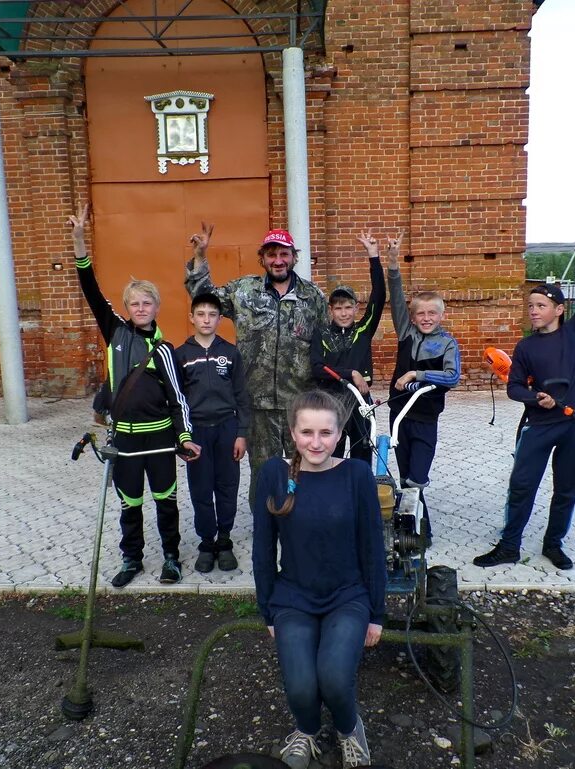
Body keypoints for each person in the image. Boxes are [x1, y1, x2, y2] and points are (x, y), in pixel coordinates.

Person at [472, 212, 575, 571]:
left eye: (540, 306)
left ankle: (553, 545)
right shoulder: (525, 348)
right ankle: (509, 545)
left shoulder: (574, 332)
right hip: (539, 424)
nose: (534, 311)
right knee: (522, 485)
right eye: (530, 306)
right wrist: (535, 397)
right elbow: (513, 389)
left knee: (566, 488)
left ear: (559, 308)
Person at [69, 204, 201, 587]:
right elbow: (90, 289)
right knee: (130, 505)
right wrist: (79, 240)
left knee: (166, 503)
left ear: (157, 308)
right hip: (123, 439)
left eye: (147, 303)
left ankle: (172, 558)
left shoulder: (165, 349)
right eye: (135, 303)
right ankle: (132, 560)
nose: (141, 308)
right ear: (126, 308)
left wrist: (186, 438)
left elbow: (179, 399)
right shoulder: (115, 332)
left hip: (159, 440)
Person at [252, 390, 386, 769]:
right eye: (306, 432)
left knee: (333, 678)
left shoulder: (357, 475)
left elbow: (372, 547)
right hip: (294, 597)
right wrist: (268, 612)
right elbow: (263, 550)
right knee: (300, 686)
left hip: (348, 596)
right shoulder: (274, 475)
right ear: (292, 433)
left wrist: (376, 613)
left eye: (325, 433)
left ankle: (349, 729)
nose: (316, 442)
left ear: (340, 433)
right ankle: (306, 731)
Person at [185, 224, 327, 506]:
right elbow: (204, 298)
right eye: (271, 254)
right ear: (262, 258)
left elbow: (327, 346)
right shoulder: (243, 291)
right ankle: (265, 522)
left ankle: (301, 518)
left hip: (299, 402)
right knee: (263, 469)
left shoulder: (313, 298)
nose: (278, 260)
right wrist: (200, 256)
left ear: (293, 257)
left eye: (284, 254)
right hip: (256, 403)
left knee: (304, 465)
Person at [386, 234, 461, 537]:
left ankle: (419, 531)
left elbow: (452, 377)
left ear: (442, 315)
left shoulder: (447, 344)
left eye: (432, 313)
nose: (426, 318)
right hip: (399, 416)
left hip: (426, 419)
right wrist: (392, 261)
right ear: (413, 317)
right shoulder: (406, 332)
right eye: (421, 313)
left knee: (417, 478)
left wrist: (417, 375)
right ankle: (414, 532)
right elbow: (395, 292)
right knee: (405, 479)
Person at [174, 291, 251, 574]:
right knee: (201, 488)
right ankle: (207, 542)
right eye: (201, 314)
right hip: (196, 433)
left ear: (220, 319)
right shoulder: (180, 355)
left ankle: (225, 539)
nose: (206, 320)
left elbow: (242, 396)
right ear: (191, 318)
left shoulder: (230, 353)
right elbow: (177, 399)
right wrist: (181, 437)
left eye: (212, 315)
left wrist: (241, 433)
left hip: (227, 429)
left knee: (228, 486)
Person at [310, 231, 387, 471]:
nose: (343, 313)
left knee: (363, 454)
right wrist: (351, 373)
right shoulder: (321, 334)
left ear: (355, 308)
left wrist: (373, 256)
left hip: (361, 403)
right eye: (338, 308)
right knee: (332, 456)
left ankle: (361, 499)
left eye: (348, 307)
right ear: (331, 310)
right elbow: (317, 368)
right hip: (331, 402)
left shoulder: (363, 330)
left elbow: (379, 295)